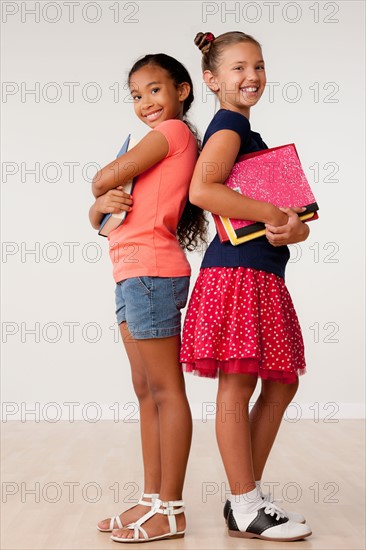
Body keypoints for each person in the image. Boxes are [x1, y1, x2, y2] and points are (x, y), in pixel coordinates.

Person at [180, 31, 313, 541]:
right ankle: (245, 503)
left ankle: (246, 495)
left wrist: (293, 227)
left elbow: (293, 220)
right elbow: (203, 188)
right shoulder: (231, 124)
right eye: (237, 68)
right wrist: (271, 212)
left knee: (280, 381)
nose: (251, 76)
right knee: (240, 384)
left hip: (258, 271)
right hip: (237, 274)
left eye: (257, 66)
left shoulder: (249, 135)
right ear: (212, 80)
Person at [89, 53, 207, 543]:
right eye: (136, 96)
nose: (145, 103)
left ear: (181, 90)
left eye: (155, 90)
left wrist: (100, 185)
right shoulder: (151, 145)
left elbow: (105, 176)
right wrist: (98, 205)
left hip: (152, 274)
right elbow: (104, 218)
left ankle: (172, 510)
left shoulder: (175, 135)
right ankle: (151, 499)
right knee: (145, 390)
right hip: (129, 272)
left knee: (165, 389)